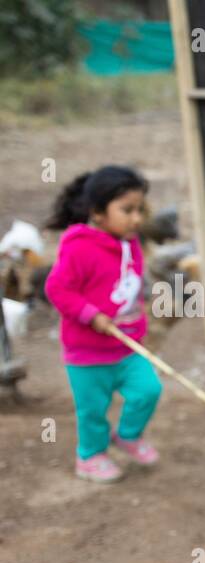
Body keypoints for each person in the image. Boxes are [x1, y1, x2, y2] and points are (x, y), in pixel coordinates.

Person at [45, 165, 161, 483]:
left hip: (126, 346)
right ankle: (91, 456)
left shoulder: (130, 242)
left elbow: (128, 283)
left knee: (148, 390)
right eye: (127, 210)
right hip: (88, 353)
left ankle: (128, 435)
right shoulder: (79, 247)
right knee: (93, 410)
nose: (136, 218)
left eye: (140, 209)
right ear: (98, 212)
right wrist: (90, 315)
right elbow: (57, 289)